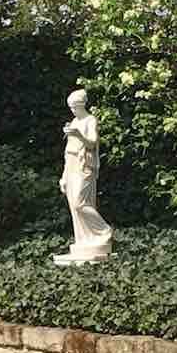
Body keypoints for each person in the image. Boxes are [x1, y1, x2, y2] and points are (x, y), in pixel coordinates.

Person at [54, 88, 113, 265]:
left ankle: (105, 231)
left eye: (74, 107)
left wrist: (78, 134)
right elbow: (68, 152)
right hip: (71, 164)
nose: (72, 110)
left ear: (81, 105)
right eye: (70, 107)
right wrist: (64, 177)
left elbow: (93, 142)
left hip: (84, 166)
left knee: (80, 202)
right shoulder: (73, 121)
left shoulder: (90, 120)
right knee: (74, 205)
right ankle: (85, 239)